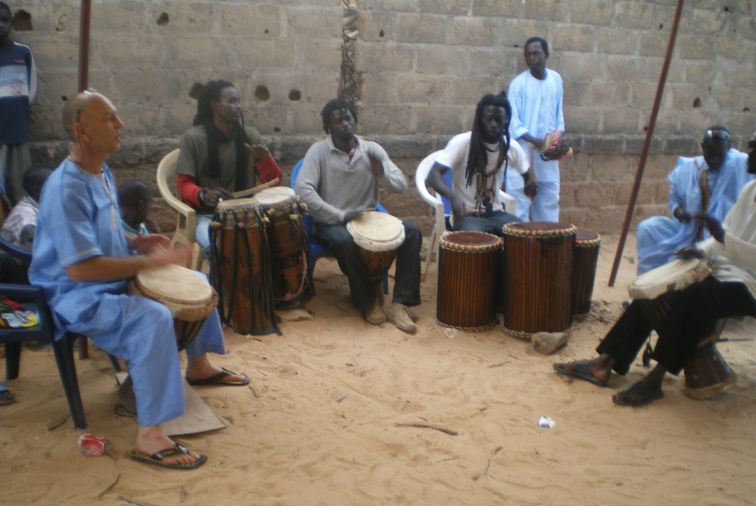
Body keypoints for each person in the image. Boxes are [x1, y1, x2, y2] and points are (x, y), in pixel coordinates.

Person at [29, 90, 250, 469]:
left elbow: (104, 232)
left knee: (193, 285)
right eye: (110, 119)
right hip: (77, 295)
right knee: (154, 318)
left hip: (108, 278)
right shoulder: (66, 189)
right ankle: (151, 437)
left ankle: (198, 366)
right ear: (83, 131)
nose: (121, 125)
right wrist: (145, 265)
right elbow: (81, 268)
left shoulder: (100, 170)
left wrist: (137, 241)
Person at [554, 122, 756, 407]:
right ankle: (605, 362)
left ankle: (656, 378)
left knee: (694, 295)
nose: (751, 151)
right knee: (657, 287)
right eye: (751, 145)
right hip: (731, 272)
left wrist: (724, 241)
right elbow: (722, 242)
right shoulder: (751, 190)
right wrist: (698, 250)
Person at [295, 98, 421, 333]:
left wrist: (381, 173)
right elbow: (303, 190)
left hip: (367, 218)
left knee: (412, 232)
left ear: (355, 120)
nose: (345, 124)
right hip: (331, 222)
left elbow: (401, 185)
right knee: (344, 240)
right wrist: (339, 215)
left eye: (348, 118)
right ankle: (367, 301)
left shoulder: (372, 149)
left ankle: (401, 303)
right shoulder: (319, 152)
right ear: (328, 127)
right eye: (338, 120)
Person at [176, 79, 281, 256]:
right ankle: (215, 285)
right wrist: (203, 193)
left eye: (238, 101)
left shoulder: (250, 135)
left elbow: (275, 184)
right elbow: (183, 184)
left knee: (274, 242)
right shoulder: (192, 138)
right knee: (213, 246)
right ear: (214, 105)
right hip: (207, 215)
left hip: (247, 213)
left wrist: (263, 161)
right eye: (232, 101)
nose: (238, 106)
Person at [636, 127, 753, 274]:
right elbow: (674, 199)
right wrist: (678, 211)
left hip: (720, 234)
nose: (715, 159)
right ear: (703, 147)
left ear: (728, 148)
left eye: (719, 154)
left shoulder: (739, 166)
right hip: (687, 230)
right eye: (710, 154)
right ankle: (646, 285)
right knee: (647, 228)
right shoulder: (689, 168)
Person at [426, 93, 535, 235]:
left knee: (522, 236)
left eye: (498, 119)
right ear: (479, 119)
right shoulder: (462, 143)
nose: (493, 124)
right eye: (488, 119)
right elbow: (433, 175)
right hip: (468, 216)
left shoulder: (510, 147)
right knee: (477, 240)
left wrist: (530, 185)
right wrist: (452, 197)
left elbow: (528, 176)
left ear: (506, 120)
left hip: (497, 214)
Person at [506, 36, 565, 223]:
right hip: (522, 153)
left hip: (547, 155)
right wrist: (537, 141)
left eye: (536, 53)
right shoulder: (518, 84)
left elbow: (558, 116)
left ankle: (547, 247)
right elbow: (513, 122)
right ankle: (519, 248)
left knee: (549, 200)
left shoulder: (555, 80)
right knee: (519, 203)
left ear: (546, 55)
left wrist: (555, 141)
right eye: (528, 54)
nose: (532, 58)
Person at [0, 2, 37, 206]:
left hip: (16, 127)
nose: (0, 25)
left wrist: (19, 111)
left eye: (5, 20)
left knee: (19, 183)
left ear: (12, 23)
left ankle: (22, 222)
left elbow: (31, 89)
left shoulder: (22, 53)